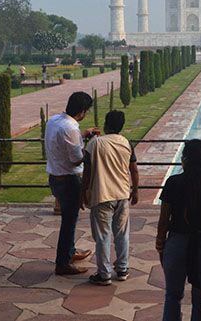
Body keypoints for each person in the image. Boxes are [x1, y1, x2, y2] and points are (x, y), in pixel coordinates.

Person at [156, 140, 201, 321]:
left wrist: (161, 245)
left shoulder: (173, 183)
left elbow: (163, 221)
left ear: (185, 159)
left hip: (177, 242)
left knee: (173, 296)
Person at [81, 110, 139, 285]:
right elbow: (134, 169)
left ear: (106, 125)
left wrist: (83, 192)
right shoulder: (126, 143)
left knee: (103, 236)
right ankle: (122, 269)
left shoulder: (95, 144)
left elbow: (87, 171)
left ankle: (104, 273)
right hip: (122, 194)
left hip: (102, 195)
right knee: (122, 235)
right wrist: (135, 190)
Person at [45, 91, 98, 275]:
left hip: (55, 176)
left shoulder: (54, 120)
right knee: (69, 222)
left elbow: (63, 141)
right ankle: (62, 263)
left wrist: (83, 134)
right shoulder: (71, 129)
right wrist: (91, 144)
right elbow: (76, 159)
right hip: (68, 180)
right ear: (83, 112)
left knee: (70, 219)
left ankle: (70, 252)